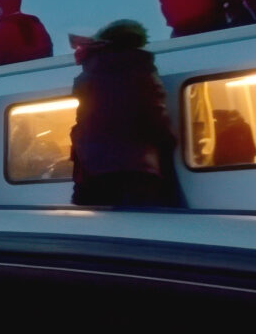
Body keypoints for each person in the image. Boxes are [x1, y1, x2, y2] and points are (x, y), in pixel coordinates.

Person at [68, 20, 179, 207]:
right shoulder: (141, 69)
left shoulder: (87, 74)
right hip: (136, 169)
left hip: (93, 168)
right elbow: (155, 119)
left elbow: (83, 122)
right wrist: (169, 142)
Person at [0, 0, 53, 68]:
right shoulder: (36, 24)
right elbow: (47, 52)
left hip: (12, 77)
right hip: (43, 75)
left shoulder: (1, 28)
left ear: (4, 7)